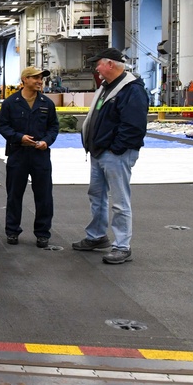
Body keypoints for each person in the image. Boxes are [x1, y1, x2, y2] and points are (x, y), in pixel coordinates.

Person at [72, 47, 148, 264]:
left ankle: (122, 246)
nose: (96, 68)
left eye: (99, 64)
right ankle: (96, 236)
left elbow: (134, 127)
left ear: (111, 65)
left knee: (120, 201)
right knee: (96, 196)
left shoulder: (131, 90)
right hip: (99, 152)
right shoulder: (107, 87)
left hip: (115, 154)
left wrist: (116, 149)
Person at [0, 66, 59, 247]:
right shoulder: (10, 103)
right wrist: (19, 137)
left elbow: (53, 127)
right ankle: (12, 231)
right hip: (18, 154)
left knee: (44, 196)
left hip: (40, 155)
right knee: (14, 195)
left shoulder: (47, 104)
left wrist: (46, 141)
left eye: (41, 78)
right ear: (24, 79)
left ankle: (42, 233)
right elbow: (4, 126)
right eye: (35, 78)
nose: (39, 81)